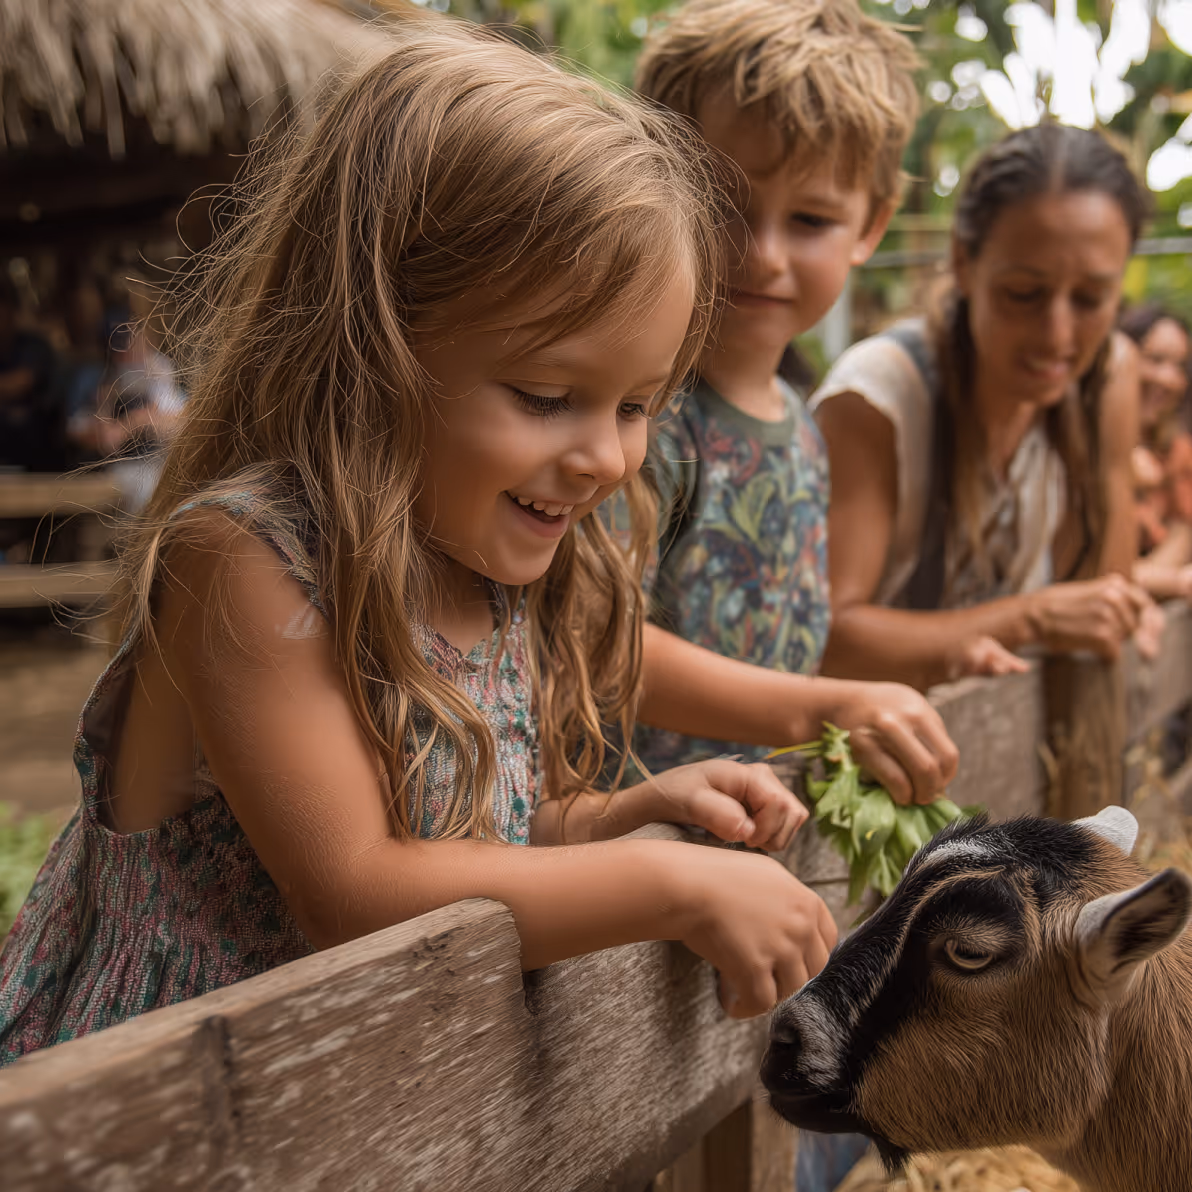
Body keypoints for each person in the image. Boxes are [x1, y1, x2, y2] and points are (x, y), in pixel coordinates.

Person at [0, 17, 841, 1066]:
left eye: (635, 407)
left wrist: (623, 816)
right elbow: (357, 886)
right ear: (372, 344)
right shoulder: (248, 560)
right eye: (546, 396)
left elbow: (466, 851)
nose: (605, 458)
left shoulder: (484, 570)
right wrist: (668, 881)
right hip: (156, 1119)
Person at [615, 0, 958, 808]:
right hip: (625, 854)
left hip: (752, 836)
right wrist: (828, 705)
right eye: (722, 204)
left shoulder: (802, 426)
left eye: (810, 219)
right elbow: (593, 651)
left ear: (870, 226)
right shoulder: (634, 416)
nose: (762, 253)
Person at [813, 124, 1162, 692]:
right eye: (1024, 293)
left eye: (1091, 299)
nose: (1057, 335)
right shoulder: (882, 396)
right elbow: (827, 640)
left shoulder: (1103, 380)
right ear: (964, 262)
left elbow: (1103, 591)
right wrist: (1032, 618)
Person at [1118, 303, 1192, 600]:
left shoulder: (1178, 452)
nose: (1167, 378)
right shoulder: (1080, 448)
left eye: (1179, 366)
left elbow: (1184, 532)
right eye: (1155, 360)